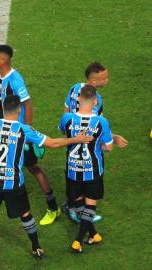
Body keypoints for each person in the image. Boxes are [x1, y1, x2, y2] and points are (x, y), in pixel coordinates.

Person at [0, 95, 93, 269]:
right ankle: (36, 247)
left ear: (3, 108)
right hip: (14, 184)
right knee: (25, 215)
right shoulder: (24, 130)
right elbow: (53, 143)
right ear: (19, 110)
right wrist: (76, 139)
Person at [0, 44, 60, 225]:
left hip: (18, 131)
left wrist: (26, 132)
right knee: (8, 164)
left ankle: (53, 207)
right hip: (7, 127)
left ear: (3, 60)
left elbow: (28, 105)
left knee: (33, 168)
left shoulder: (15, 80)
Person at [62, 62, 128, 223]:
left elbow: (65, 110)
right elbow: (96, 125)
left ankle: (72, 205)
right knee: (89, 174)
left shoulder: (74, 88)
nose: (107, 80)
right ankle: (79, 211)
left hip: (72, 137)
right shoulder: (96, 99)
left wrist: (69, 128)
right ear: (93, 81)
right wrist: (113, 138)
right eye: (103, 78)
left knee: (73, 172)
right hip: (88, 142)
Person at [59, 84, 114, 253]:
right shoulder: (101, 122)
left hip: (73, 169)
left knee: (78, 204)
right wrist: (98, 146)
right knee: (90, 206)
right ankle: (79, 240)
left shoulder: (67, 118)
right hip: (93, 170)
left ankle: (93, 235)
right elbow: (109, 147)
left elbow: (64, 134)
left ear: (78, 99)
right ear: (95, 101)